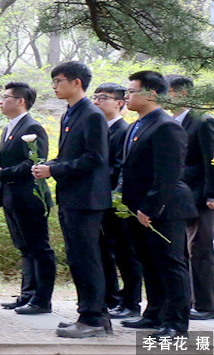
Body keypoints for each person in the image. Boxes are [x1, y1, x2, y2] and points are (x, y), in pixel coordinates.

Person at [32, 61, 112, 338]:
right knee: (78, 258)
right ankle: (93, 314)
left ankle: (92, 318)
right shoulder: (71, 113)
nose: (54, 86)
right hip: (72, 197)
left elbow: (95, 158)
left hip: (87, 199)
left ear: (76, 82)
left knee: (86, 258)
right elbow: (70, 155)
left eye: (58, 81)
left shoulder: (91, 114)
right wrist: (50, 165)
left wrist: (54, 170)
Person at [118, 71, 195, 338]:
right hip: (137, 208)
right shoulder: (136, 125)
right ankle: (154, 313)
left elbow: (169, 175)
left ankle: (176, 323)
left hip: (164, 208)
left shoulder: (166, 126)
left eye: (131, 91)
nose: (126, 96)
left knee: (170, 264)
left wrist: (150, 208)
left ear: (151, 94)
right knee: (148, 262)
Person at [0, 82, 55, 315]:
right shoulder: (8, 128)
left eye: (5, 97)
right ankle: (27, 294)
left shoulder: (32, 127)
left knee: (39, 247)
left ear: (20, 101)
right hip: (11, 196)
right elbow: (2, 163)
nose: (0, 101)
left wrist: (4, 174)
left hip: (30, 196)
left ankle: (42, 299)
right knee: (24, 248)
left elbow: (35, 162)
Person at [93, 82, 142, 319]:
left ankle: (131, 302)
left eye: (103, 98)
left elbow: (120, 167)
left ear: (119, 103)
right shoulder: (99, 129)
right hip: (100, 200)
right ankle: (111, 298)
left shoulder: (124, 130)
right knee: (105, 252)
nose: (96, 102)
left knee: (126, 254)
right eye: (95, 97)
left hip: (119, 201)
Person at [168, 75, 214, 321]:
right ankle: (186, 300)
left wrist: (211, 194)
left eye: (167, 92)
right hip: (179, 196)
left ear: (182, 94)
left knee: (200, 250)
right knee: (182, 251)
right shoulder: (171, 122)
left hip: (200, 196)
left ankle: (206, 304)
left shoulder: (202, 121)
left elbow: (212, 159)